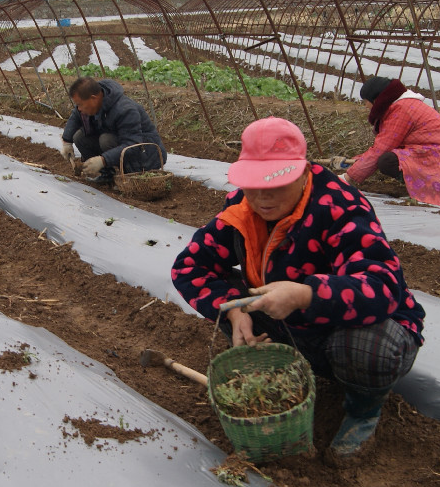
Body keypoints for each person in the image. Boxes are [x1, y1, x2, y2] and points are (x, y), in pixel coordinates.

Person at [171, 117, 425, 458]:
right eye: (253, 184)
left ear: (304, 172)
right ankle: (287, 363)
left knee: (369, 345)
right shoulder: (240, 209)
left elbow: (383, 287)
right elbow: (190, 267)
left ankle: (363, 411)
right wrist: (235, 313)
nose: (263, 196)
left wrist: (307, 294)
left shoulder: (339, 208)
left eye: (276, 183)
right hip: (291, 321)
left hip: (349, 327)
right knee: (232, 302)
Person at [342, 76, 440, 208]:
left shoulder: (402, 109)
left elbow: (382, 148)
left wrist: (347, 178)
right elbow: (382, 145)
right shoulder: (401, 105)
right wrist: (358, 161)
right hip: (434, 154)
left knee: (387, 161)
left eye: (365, 102)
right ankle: (420, 189)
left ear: (376, 99)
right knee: (387, 158)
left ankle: (428, 192)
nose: (366, 106)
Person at [59, 77, 167, 186]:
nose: (79, 109)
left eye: (80, 104)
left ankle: (130, 177)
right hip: (124, 144)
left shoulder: (125, 110)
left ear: (93, 98)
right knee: (80, 137)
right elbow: (76, 116)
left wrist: (103, 160)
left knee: (106, 140)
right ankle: (107, 175)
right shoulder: (94, 102)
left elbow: (133, 144)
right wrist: (67, 141)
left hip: (146, 154)